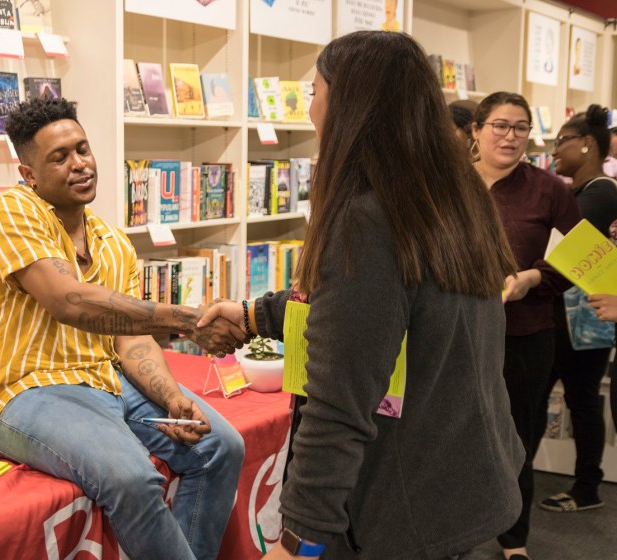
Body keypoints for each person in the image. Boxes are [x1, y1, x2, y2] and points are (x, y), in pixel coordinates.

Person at [200, 31, 524, 559]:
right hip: (465, 479)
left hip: (403, 504)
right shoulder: (454, 196)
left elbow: (339, 402)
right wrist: (255, 314)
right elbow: (366, 308)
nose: (309, 110)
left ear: (349, 104)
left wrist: (298, 541)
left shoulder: (368, 220)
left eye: (313, 93)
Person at [0, 97, 246, 560]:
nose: (80, 164)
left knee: (221, 446)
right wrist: (186, 320)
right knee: (131, 476)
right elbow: (67, 301)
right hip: (18, 393)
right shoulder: (11, 211)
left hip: (102, 381)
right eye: (60, 157)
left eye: (83, 149)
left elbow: (128, 338)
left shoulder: (113, 242)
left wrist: (171, 397)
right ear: (28, 174)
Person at [471, 91, 581, 560]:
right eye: (499, 125)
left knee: (517, 436)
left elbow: (585, 256)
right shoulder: (446, 182)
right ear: (476, 129)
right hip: (452, 333)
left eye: (520, 127)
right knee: (445, 432)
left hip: (525, 333)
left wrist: (535, 276)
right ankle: (446, 527)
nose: (510, 136)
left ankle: (515, 538)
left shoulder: (550, 188)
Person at [533, 104, 617, 514]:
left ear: (587, 145)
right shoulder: (584, 192)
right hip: (567, 318)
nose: (554, 150)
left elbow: (559, 249)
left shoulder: (601, 193)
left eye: (562, 141)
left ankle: (587, 487)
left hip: (585, 321)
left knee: (580, 399)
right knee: (548, 398)